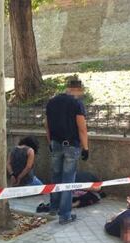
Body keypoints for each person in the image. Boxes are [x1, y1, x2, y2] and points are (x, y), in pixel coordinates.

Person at [45, 78, 89, 225]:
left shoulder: (51, 102)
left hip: (55, 144)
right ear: (78, 88)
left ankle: (53, 208)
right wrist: (86, 148)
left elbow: (47, 125)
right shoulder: (77, 104)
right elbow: (82, 128)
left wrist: (50, 141)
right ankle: (65, 215)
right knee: (68, 181)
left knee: (55, 177)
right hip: (71, 146)